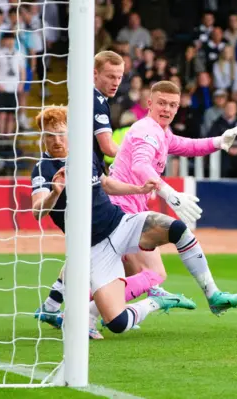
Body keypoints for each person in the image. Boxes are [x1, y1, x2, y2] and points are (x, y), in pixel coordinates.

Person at [30, 106, 198, 335]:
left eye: (61, 133)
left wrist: (139, 188)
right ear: (42, 137)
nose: (56, 140)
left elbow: (107, 184)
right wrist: (55, 192)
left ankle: (212, 291)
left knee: (177, 228)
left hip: (120, 224)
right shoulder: (42, 168)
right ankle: (156, 302)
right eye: (49, 135)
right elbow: (37, 211)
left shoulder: (85, 154)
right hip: (95, 247)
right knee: (117, 323)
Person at [107, 80, 237, 315]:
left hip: (127, 211)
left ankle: (82, 312)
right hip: (121, 212)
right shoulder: (146, 130)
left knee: (149, 276)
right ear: (149, 103)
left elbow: (187, 145)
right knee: (175, 239)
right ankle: (83, 311)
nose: (167, 109)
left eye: (173, 105)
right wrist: (170, 193)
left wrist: (218, 142)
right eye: (162, 103)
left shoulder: (162, 132)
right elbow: (141, 165)